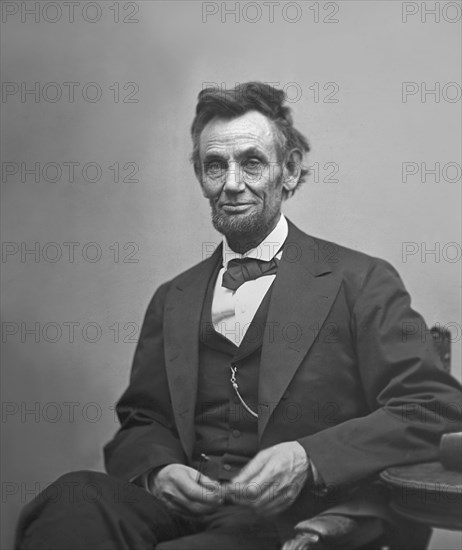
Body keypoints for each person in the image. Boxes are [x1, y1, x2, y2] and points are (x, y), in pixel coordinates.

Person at [16, 82, 462, 550]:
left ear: (288, 172)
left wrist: (310, 458)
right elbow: (143, 418)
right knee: (73, 499)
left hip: (293, 522)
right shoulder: (174, 296)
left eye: (251, 162)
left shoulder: (362, 281)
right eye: (215, 166)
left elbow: (434, 406)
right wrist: (158, 472)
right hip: (185, 514)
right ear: (201, 177)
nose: (231, 184)